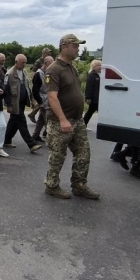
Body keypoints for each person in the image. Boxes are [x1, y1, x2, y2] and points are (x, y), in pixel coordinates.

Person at [43, 34, 99, 200]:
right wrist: (62, 119)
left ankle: (79, 185)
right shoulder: (54, 69)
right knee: (58, 156)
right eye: (75, 46)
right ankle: (51, 185)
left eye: (78, 46)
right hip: (60, 121)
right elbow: (52, 96)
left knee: (83, 153)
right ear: (64, 46)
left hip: (77, 120)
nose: (77, 49)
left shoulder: (72, 67)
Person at [3, 54, 43, 154]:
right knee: (22, 123)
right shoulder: (10, 74)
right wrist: (8, 105)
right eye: (22, 63)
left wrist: (32, 100)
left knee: (14, 123)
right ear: (16, 62)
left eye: (25, 62)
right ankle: (31, 144)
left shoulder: (24, 72)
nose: (24, 65)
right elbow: (6, 91)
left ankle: (6, 140)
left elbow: (28, 87)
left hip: (22, 102)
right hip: (14, 103)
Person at [31, 56, 54, 143]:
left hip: (47, 99)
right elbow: (35, 90)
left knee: (41, 119)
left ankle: (35, 135)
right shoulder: (38, 74)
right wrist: (40, 102)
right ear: (45, 63)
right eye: (51, 64)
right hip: (42, 100)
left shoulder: (47, 73)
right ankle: (51, 137)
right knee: (47, 119)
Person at [83, 59, 101, 127]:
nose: (100, 67)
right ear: (94, 66)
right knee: (90, 112)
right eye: (98, 65)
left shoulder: (98, 75)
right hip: (94, 99)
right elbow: (89, 87)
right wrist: (88, 97)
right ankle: (83, 125)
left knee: (90, 112)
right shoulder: (92, 75)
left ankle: (84, 124)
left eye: (100, 65)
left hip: (97, 98)